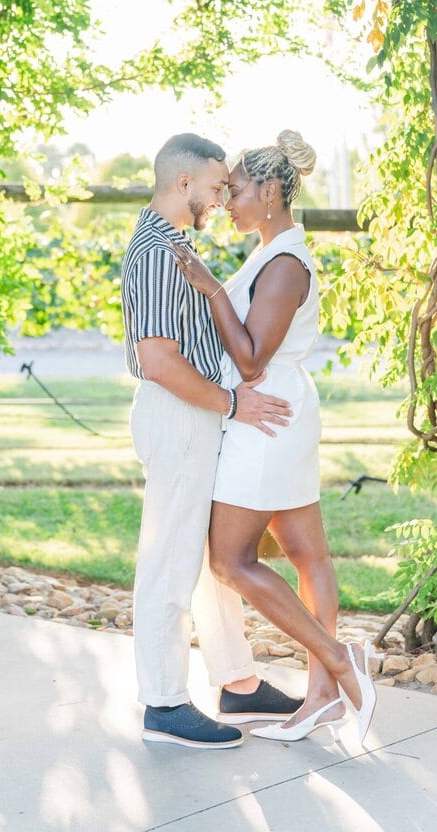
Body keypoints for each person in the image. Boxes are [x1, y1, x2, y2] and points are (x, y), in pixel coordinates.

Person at [171, 130, 381, 745]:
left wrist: (210, 288)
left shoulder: (286, 263)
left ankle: (340, 663)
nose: (225, 202)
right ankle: (320, 697)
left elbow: (254, 358)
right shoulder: (270, 253)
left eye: (234, 191)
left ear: (268, 191)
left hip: (264, 419)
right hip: (279, 417)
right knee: (305, 554)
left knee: (230, 560)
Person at [122, 132, 301, 750]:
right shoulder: (154, 252)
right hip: (177, 417)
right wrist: (232, 402)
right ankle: (165, 703)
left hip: (198, 419)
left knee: (198, 560)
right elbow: (157, 362)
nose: (224, 195)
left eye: (231, 186)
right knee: (170, 561)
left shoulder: (179, 247)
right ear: (183, 184)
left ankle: (237, 683)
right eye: (217, 184)